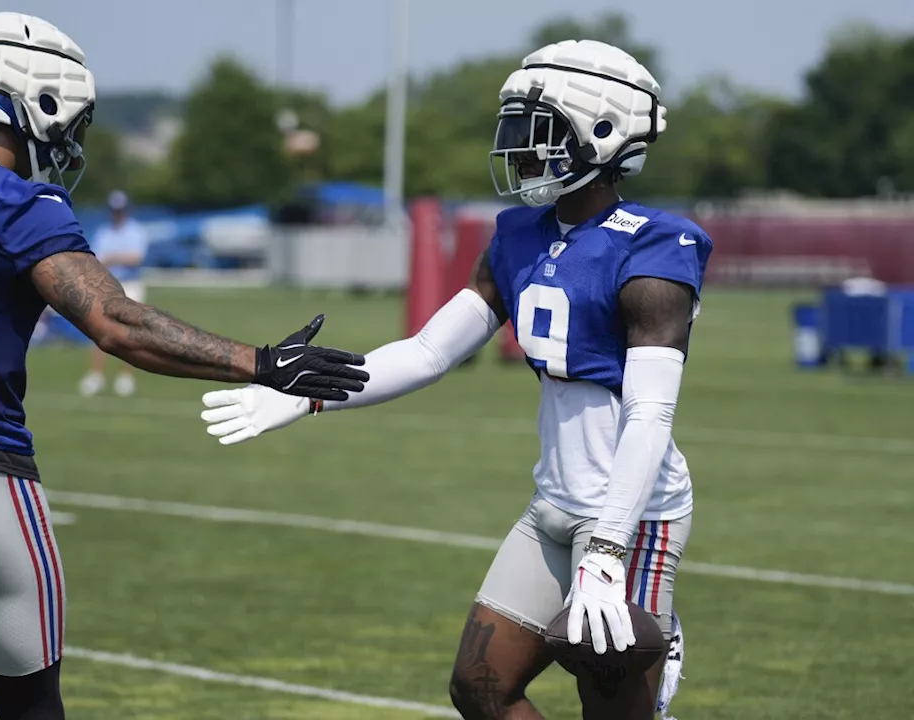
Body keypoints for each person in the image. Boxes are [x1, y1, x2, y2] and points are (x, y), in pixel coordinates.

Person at [0, 12, 367, 720]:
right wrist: (259, 361)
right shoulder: (16, 202)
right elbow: (116, 322)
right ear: (32, 97)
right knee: (32, 711)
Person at [199, 39, 708, 720]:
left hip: (631, 516)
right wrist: (308, 393)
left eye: (541, 133)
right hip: (553, 503)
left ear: (604, 133)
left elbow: (649, 416)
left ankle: (656, 643)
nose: (521, 150)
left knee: (611, 702)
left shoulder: (653, 247)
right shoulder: (519, 236)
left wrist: (610, 550)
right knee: (480, 685)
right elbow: (429, 351)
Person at [78, 189, 150, 397]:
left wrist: (112, 258)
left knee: (130, 332)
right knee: (99, 329)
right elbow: (97, 258)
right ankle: (96, 375)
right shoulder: (104, 231)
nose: (117, 214)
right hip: (109, 283)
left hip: (130, 283)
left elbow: (136, 258)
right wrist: (116, 258)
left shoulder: (136, 231)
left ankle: (125, 377)